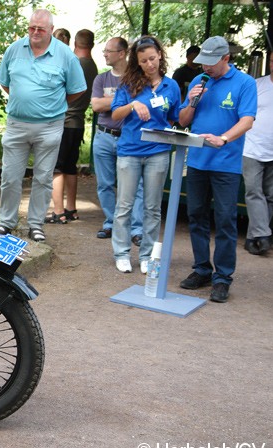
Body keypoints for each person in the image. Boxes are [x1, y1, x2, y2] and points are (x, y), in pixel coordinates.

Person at [0, 9, 86, 242]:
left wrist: (51, 105)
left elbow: (77, 89)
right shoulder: (14, 49)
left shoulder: (65, 55)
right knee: (10, 177)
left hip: (49, 127)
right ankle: (6, 223)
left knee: (43, 178)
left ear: (51, 30)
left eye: (40, 29)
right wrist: (24, 100)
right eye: (31, 27)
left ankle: (35, 224)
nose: (34, 32)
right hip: (16, 124)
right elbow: (5, 83)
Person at [178, 36, 257, 303]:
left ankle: (222, 278)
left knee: (224, 221)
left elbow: (247, 121)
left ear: (226, 58)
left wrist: (223, 138)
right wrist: (190, 102)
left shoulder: (245, 83)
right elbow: (183, 121)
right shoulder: (201, 83)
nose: (205, 68)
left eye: (211, 63)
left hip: (226, 165)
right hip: (198, 162)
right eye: (203, 62)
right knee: (196, 216)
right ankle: (201, 269)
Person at [110, 36, 181, 274]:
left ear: (160, 55)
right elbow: (116, 114)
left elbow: (173, 117)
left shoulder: (171, 86)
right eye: (143, 61)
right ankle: (121, 253)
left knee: (152, 207)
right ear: (137, 63)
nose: (149, 64)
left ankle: (147, 255)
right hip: (130, 151)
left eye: (152, 58)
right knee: (125, 206)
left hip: (158, 152)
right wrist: (133, 105)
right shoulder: (128, 85)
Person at [91, 37, 144, 243]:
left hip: (129, 139)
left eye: (108, 51)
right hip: (103, 136)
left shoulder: (136, 78)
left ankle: (136, 229)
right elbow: (95, 106)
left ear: (122, 53)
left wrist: (111, 103)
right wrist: (126, 102)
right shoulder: (101, 79)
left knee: (134, 185)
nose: (104, 54)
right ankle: (111, 223)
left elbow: (142, 102)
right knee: (104, 184)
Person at [47, 29, 98, 224]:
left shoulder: (75, 64)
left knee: (56, 168)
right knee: (70, 168)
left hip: (64, 122)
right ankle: (71, 209)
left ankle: (58, 212)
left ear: (75, 43)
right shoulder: (92, 66)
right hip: (77, 123)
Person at [242, 51, 273, 256]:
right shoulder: (257, 85)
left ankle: (252, 238)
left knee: (272, 196)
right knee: (254, 191)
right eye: (272, 61)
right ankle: (263, 234)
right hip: (252, 147)